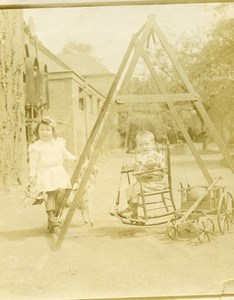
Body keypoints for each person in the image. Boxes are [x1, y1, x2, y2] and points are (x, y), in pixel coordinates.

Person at [28, 117, 76, 229]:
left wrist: (74, 159)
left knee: (61, 192)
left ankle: (57, 212)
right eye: (42, 129)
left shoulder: (58, 144)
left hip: (58, 171)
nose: (44, 132)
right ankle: (51, 216)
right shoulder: (36, 147)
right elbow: (33, 163)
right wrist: (32, 174)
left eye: (47, 130)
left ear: (53, 132)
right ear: (37, 131)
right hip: (45, 173)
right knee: (49, 195)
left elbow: (66, 154)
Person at [118, 130, 167, 219]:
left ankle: (133, 212)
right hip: (143, 182)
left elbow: (155, 165)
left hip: (155, 183)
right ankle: (131, 208)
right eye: (141, 145)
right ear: (137, 146)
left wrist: (144, 163)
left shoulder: (156, 156)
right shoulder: (140, 156)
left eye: (147, 144)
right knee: (128, 189)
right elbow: (136, 167)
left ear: (153, 144)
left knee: (135, 189)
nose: (144, 147)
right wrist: (129, 166)